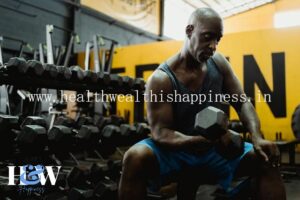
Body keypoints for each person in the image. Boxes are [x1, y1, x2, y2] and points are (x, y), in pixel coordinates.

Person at [118, 8, 286, 200]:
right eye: (207, 37)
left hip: (212, 152)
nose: (213, 46)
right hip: (176, 151)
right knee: (134, 157)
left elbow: (242, 102)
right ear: (189, 31)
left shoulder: (219, 63)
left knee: (266, 156)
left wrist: (256, 138)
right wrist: (201, 140)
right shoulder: (161, 79)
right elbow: (161, 132)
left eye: (218, 39)